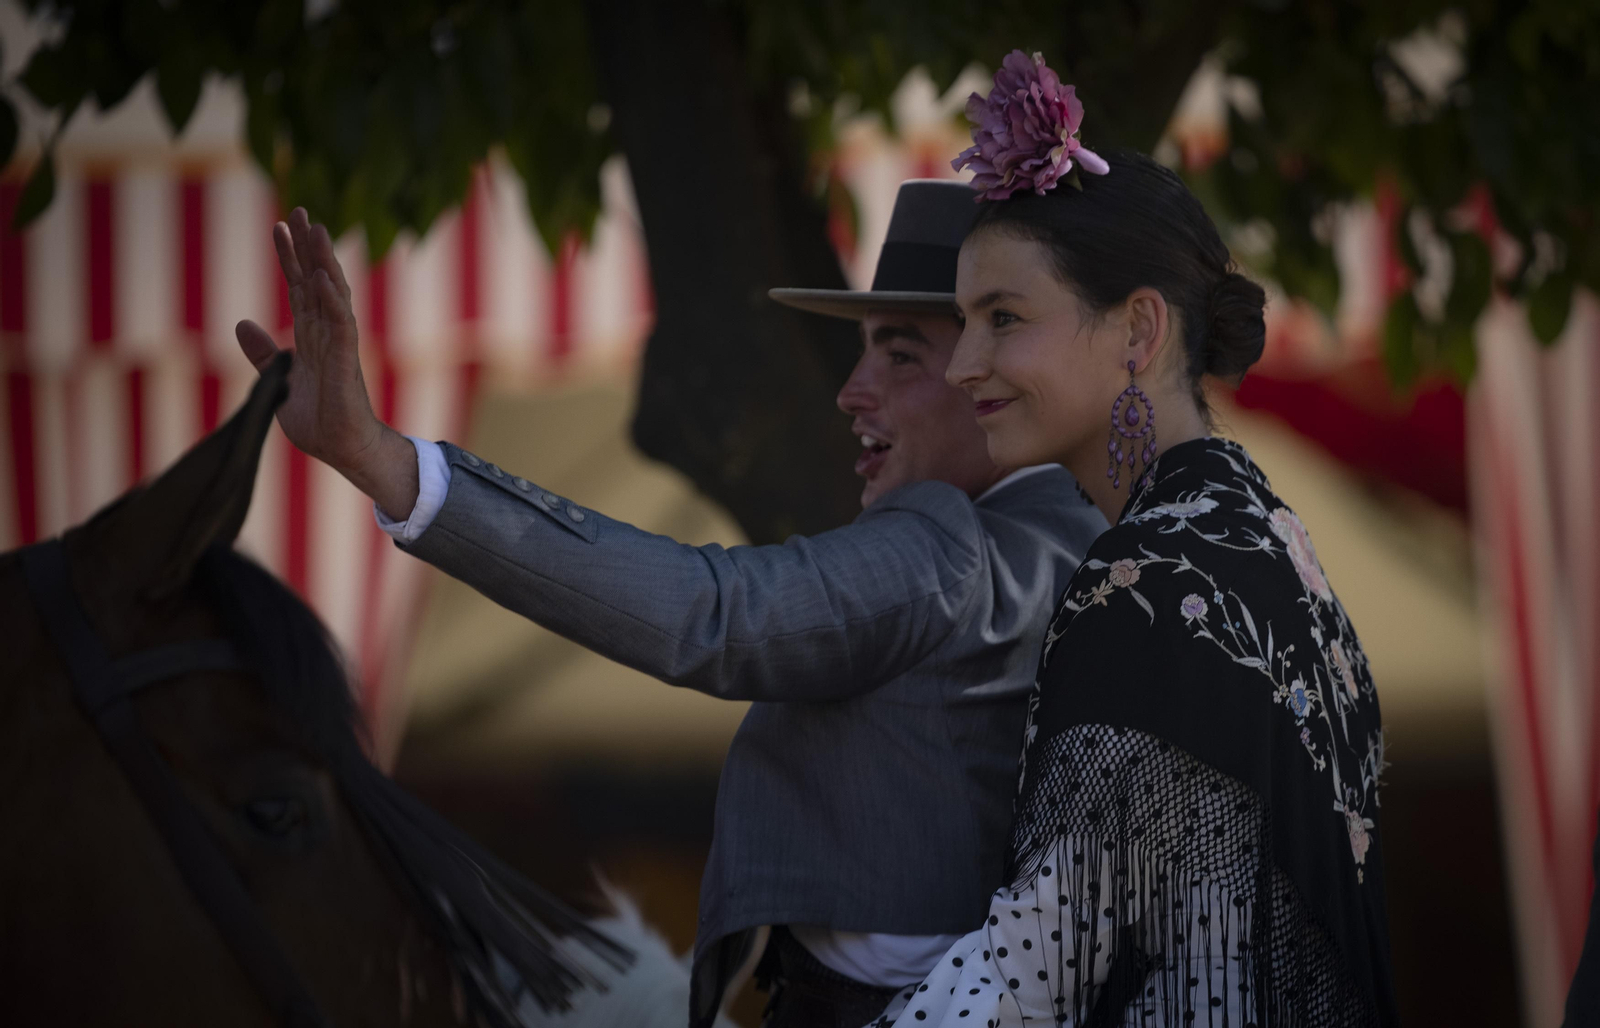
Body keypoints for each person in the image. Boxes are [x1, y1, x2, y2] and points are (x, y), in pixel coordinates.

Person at [233, 179, 1109, 1028]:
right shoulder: (1090, 540)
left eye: (900, 354)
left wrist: (385, 462)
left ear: (997, 374)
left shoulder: (949, 548)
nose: (852, 390)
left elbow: (709, 614)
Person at [870, 53, 1399, 1027]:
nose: (963, 364)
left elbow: (1036, 968)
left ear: (1138, 331)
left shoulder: (1144, 582)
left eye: (1002, 318)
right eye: (962, 322)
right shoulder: (1277, 548)